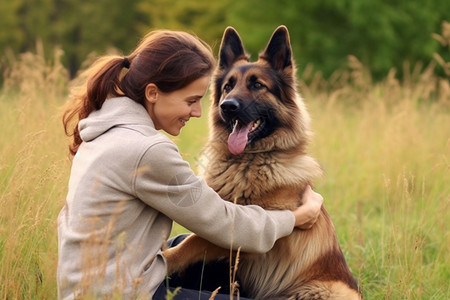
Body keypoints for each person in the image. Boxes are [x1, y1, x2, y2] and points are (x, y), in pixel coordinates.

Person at [57, 29, 324, 300]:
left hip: (90, 284)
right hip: (123, 292)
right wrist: (295, 218)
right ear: (152, 93)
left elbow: (211, 229)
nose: (198, 112)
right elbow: (224, 223)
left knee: (214, 263)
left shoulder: (105, 130)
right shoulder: (146, 150)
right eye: (191, 101)